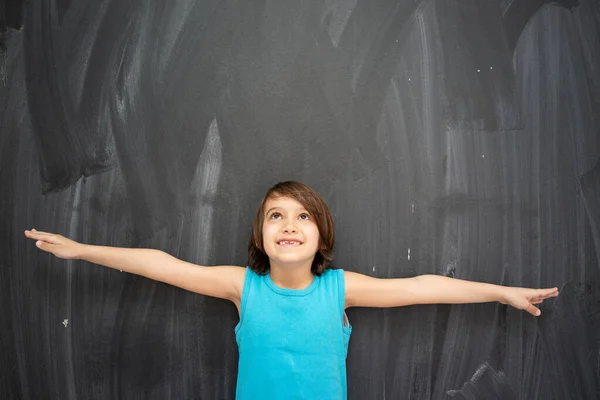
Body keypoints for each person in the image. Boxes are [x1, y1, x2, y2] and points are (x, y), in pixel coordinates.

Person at [24, 180, 559, 400]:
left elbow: (423, 287)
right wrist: (81, 249)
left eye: (303, 216)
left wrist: (500, 291)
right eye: (276, 215)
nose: (289, 224)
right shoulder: (242, 287)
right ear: (260, 233)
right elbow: (160, 264)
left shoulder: (341, 290)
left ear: (321, 234)